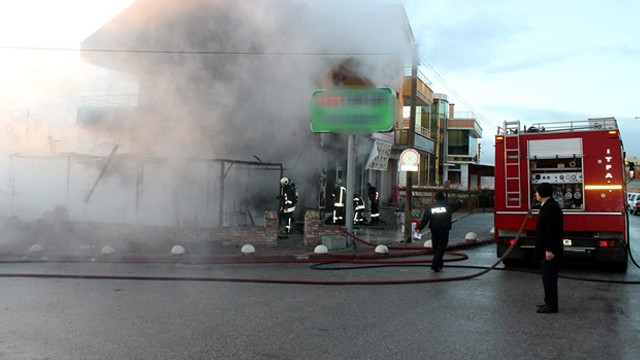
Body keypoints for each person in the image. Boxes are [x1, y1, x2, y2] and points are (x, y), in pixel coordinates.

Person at [533, 182, 563, 314]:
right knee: (546, 278)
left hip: (550, 251)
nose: (535, 194)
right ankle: (548, 301)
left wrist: (549, 250)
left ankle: (551, 305)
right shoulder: (547, 206)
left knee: (550, 278)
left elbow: (552, 231)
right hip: (545, 249)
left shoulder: (551, 208)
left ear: (543, 193)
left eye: (537, 192)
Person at [414, 191, 463, 272]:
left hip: (434, 229)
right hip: (444, 229)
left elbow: (425, 219)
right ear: (443, 198)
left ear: (435, 198)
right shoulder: (447, 206)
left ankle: (439, 263)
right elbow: (456, 205)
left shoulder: (430, 207)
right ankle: (435, 264)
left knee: (436, 247)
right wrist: (460, 202)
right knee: (441, 247)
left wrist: (419, 228)